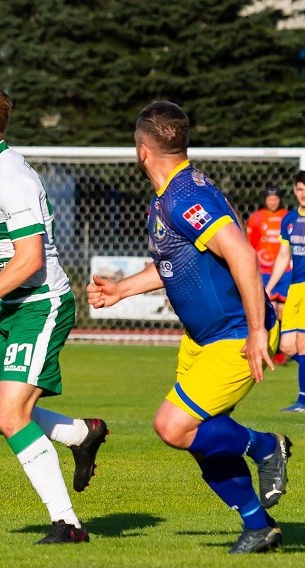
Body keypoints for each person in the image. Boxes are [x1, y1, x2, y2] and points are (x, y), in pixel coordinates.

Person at [87, 101, 292, 554]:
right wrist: (122, 290)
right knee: (204, 443)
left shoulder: (186, 196)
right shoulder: (170, 196)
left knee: (172, 426)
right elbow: (175, 263)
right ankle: (259, 527)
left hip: (235, 336)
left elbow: (240, 253)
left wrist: (258, 330)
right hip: (201, 341)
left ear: (143, 150)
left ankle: (264, 446)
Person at [0, 79, 108, 545]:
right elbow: (1, 235)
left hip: (39, 306)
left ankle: (67, 525)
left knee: (11, 415)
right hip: (9, 306)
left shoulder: (10, 175)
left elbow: (30, 257)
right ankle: (79, 433)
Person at [265, 170, 305, 412]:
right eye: (300, 189)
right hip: (295, 288)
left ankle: (302, 400)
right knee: (288, 346)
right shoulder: (288, 220)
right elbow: (283, 256)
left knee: (302, 343)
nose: (304, 194)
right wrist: (268, 288)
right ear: (294, 190)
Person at [246, 183, 290, 365]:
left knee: (283, 311)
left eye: (276, 198)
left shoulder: (287, 217)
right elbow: (251, 244)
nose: (273, 201)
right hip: (264, 270)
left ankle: (282, 350)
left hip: (286, 271)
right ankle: (270, 347)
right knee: (269, 307)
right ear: (265, 200)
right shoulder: (257, 218)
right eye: (269, 198)